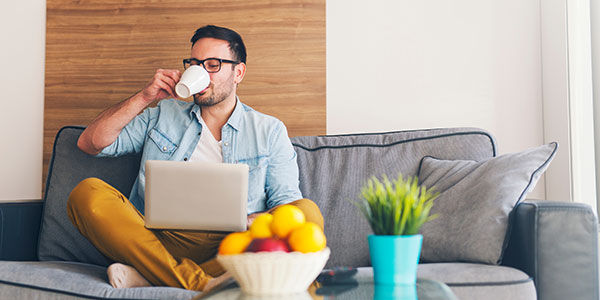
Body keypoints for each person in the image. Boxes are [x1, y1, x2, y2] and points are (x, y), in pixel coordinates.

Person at [67, 25, 323, 291]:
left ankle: (154, 276)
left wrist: (250, 220)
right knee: (87, 193)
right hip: (155, 239)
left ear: (238, 72)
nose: (201, 72)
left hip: (231, 244)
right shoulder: (163, 113)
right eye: (195, 63)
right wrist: (145, 97)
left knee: (306, 212)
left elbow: (287, 205)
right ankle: (202, 283)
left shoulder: (268, 130)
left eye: (213, 65)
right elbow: (90, 143)